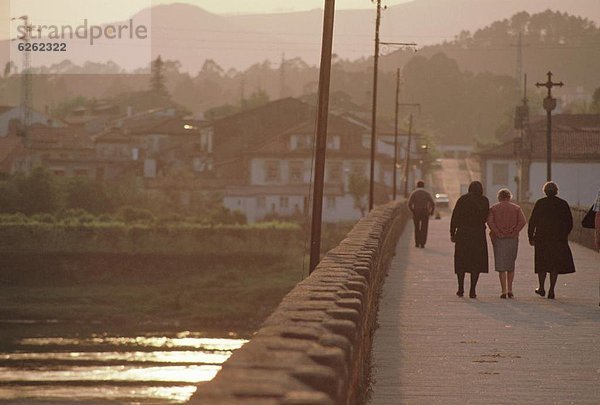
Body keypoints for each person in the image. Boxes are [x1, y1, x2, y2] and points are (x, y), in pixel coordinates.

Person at [527, 181, 575, 299]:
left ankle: (541, 287)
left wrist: (530, 237)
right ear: (556, 191)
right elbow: (569, 222)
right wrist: (564, 234)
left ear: (545, 191)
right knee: (554, 265)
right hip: (558, 239)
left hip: (542, 238)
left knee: (542, 264)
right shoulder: (563, 204)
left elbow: (532, 221)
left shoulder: (540, 203)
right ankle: (552, 289)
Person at [450, 181, 490, 298]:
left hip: (463, 234)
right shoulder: (484, 200)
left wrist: (453, 232)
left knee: (461, 261)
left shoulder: (463, 199)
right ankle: (473, 290)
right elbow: (486, 216)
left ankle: (460, 288)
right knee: (476, 263)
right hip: (478, 234)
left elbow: (455, 216)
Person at [486, 188, 527, 299]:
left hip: (499, 239)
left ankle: (503, 290)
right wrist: (514, 231)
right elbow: (523, 221)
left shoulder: (494, 209)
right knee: (510, 264)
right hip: (512, 239)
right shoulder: (516, 208)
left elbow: (489, 221)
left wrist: (497, 232)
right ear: (509, 197)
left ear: (499, 197)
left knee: (501, 265)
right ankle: (510, 289)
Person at [408, 180, 435, 248]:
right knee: (424, 228)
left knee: (417, 227)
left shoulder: (414, 193)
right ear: (423, 186)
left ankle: (417, 243)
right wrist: (431, 212)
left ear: (417, 185)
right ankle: (422, 243)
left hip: (416, 211)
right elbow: (432, 203)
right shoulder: (426, 193)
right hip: (425, 211)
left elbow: (409, 204)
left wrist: (413, 210)